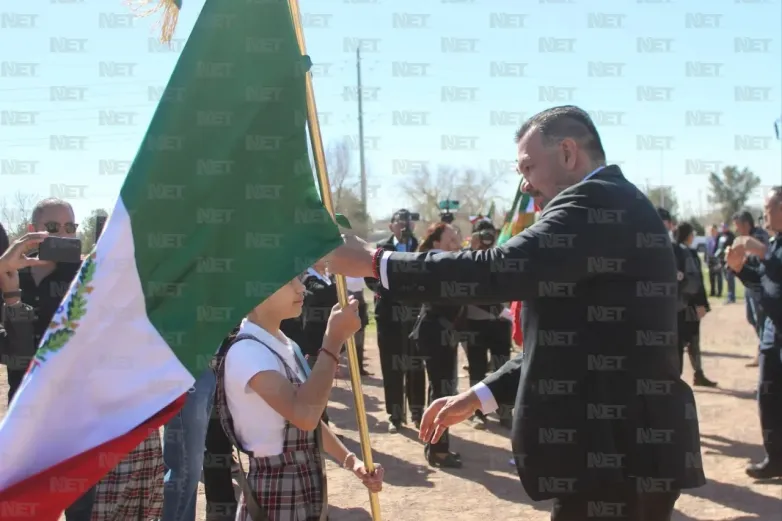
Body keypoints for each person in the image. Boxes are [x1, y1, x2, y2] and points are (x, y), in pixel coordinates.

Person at [329, 105, 705, 520]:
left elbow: (497, 268)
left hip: (619, 454)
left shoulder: (597, 201)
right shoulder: (607, 203)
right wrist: (478, 396)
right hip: (613, 453)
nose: (526, 185)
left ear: (567, 152)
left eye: (528, 167)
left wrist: (375, 261)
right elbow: (567, 342)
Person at [213, 275, 384, 520]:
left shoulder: (285, 344)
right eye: (289, 281)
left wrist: (351, 460)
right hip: (276, 490)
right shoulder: (247, 352)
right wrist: (333, 341)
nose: (301, 288)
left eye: (299, 279)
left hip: (305, 484)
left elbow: (310, 425)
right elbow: (304, 414)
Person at [0, 199, 97, 520]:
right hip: (24, 410)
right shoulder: (12, 276)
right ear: (31, 231)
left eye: (71, 228)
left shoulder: (87, 276)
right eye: (53, 228)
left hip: (75, 413)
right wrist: (6, 274)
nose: (64, 235)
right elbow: (9, 351)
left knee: (80, 505)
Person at [726, 186, 782, 479]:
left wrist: (760, 250)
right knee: (768, 395)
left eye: (768, 208)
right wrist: (739, 269)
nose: (764, 215)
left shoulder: (770, 247)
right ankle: (776, 457)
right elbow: (763, 283)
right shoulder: (775, 244)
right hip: (773, 334)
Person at [409, 222, 464, 468]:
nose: (457, 244)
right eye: (451, 240)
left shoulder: (445, 262)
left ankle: (435, 446)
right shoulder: (438, 264)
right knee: (442, 391)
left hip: (441, 331)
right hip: (436, 332)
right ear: (437, 243)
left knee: (442, 389)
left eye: (457, 239)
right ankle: (438, 450)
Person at [367, 209, 425, 433]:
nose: (404, 226)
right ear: (391, 226)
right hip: (389, 318)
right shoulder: (381, 248)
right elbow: (370, 278)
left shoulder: (421, 246)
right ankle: (395, 415)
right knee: (392, 367)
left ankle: (418, 413)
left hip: (415, 318)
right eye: (399, 223)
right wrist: (391, 291)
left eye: (407, 223)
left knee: (416, 366)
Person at [462, 220, 513, 430]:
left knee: (503, 369)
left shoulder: (503, 254)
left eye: (490, 233)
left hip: (501, 323)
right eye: (482, 234)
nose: (486, 238)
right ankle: (477, 412)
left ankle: (505, 410)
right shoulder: (467, 258)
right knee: (477, 368)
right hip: (475, 323)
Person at [673, 222, 717, 387]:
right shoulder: (687, 252)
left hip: (678, 304)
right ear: (687, 235)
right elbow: (695, 281)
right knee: (690, 340)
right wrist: (701, 304)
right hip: (689, 304)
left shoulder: (671, 251)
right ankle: (691, 375)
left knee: (682, 342)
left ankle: (694, 375)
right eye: (692, 233)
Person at [734, 210, 770, 368]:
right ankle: (761, 348)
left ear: (746, 224)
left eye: (738, 226)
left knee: (761, 320)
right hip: (749, 282)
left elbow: (762, 258)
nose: (737, 229)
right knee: (752, 317)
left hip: (759, 284)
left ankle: (764, 354)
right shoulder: (744, 238)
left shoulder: (759, 236)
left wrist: (745, 257)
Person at [346, 275, 372, 375]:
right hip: (348, 303)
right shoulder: (342, 272)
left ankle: (359, 368)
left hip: (360, 303)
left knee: (359, 339)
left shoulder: (360, 274)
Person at [714, 224, 736, 303]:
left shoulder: (731, 236)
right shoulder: (720, 236)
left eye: (724, 227)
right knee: (726, 278)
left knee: (730, 278)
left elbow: (733, 247)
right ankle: (729, 295)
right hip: (721, 260)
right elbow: (717, 246)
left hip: (729, 260)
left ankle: (731, 297)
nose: (723, 228)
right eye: (722, 227)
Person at [706, 225, 723, 297]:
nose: (711, 231)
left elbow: (721, 248)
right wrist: (706, 259)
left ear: (716, 230)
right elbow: (706, 250)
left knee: (718, 276)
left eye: (713, 230)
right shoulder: (708, 239)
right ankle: (712, 291)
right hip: (710, 259)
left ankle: (719, 293)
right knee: (711, 276)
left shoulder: (720, 238)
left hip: (717, 259)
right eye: (710, 230)